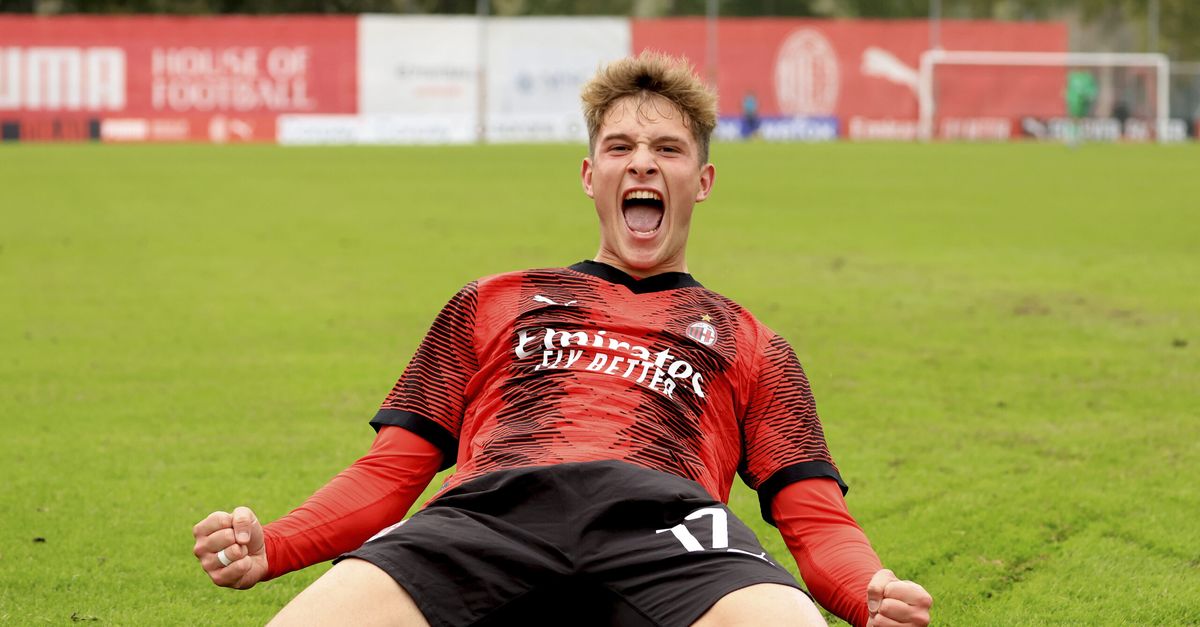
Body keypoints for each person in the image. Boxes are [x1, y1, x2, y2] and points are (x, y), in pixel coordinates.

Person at [191, 52, 933, 627]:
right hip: (487, 513)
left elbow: (814, 516)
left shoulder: (752, 342)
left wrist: (871, 591)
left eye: (668, 149)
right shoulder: (491, 300)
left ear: (701, 180)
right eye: (621, 146)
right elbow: (392, 472)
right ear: (590, 173)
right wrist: (276, 544)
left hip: (670, 524)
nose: (643, 161)